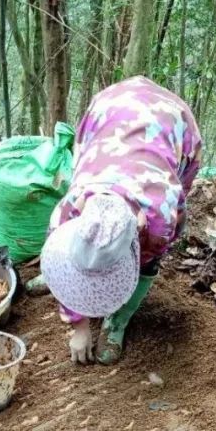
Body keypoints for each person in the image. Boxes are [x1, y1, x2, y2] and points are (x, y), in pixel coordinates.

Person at [38, 76, 202, 365]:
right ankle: (67, 271)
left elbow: (151, 252)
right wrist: (78, 325)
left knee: (149, 262)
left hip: (174, 123)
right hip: (110, 109)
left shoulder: (160, 223)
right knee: (84, 257)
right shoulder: (67, 211)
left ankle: (117, 322)